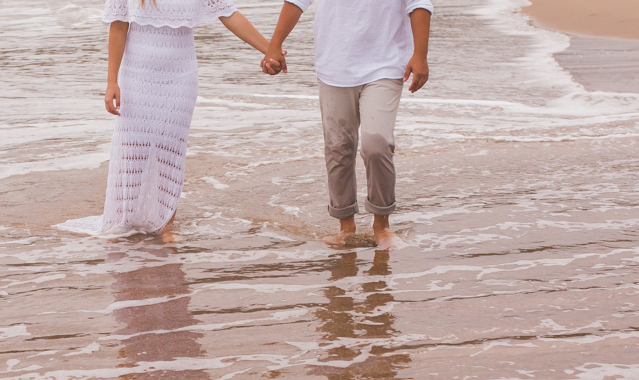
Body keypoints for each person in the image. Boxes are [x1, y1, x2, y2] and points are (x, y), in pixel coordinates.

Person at [59, 0, 277, 239]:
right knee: (133, 148)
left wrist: (269, 50)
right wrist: (112, 81)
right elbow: (118, 26)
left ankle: (166, 225)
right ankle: (126, 219)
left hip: (180, 76)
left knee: (170, 150)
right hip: (137, 74)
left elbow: (229, 15)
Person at [262, 0, 433, 249]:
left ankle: (382, 224)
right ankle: (346, 226)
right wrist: (274, 45)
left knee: (377, 144)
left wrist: (420, 54)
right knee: (339, 147)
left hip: (385, 64)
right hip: (335, 64)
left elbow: (419, 4)